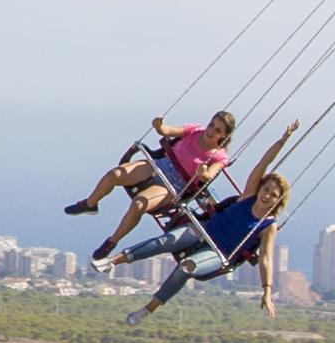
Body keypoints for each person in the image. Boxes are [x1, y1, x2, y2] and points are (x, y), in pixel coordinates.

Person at [97, 122, 298, 313]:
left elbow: (265, 257)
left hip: (219, 252)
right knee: (165, 242)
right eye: (266, 190)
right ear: (261, 188)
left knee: (187, 267)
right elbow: (263, 164)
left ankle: (150, 308)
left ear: (277, 201)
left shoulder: (268, 225)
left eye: (273, 195)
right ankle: (113, 261)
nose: (267, 196)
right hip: (204, 230)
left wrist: (267, 291)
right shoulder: (248, 196)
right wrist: (282, 141)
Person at [69, 108, 242, 252]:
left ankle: (112, 242)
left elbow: (210, 175)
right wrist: (159, 125)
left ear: (224, 135)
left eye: (217, 130)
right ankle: (90, 203)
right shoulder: (195, 130)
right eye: (211, 125)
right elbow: (167, 131)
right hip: (161, 165)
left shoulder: (219, 156)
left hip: (174, 185)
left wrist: (202, 172)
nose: (211, 131)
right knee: (114, 175)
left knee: (140, 204)